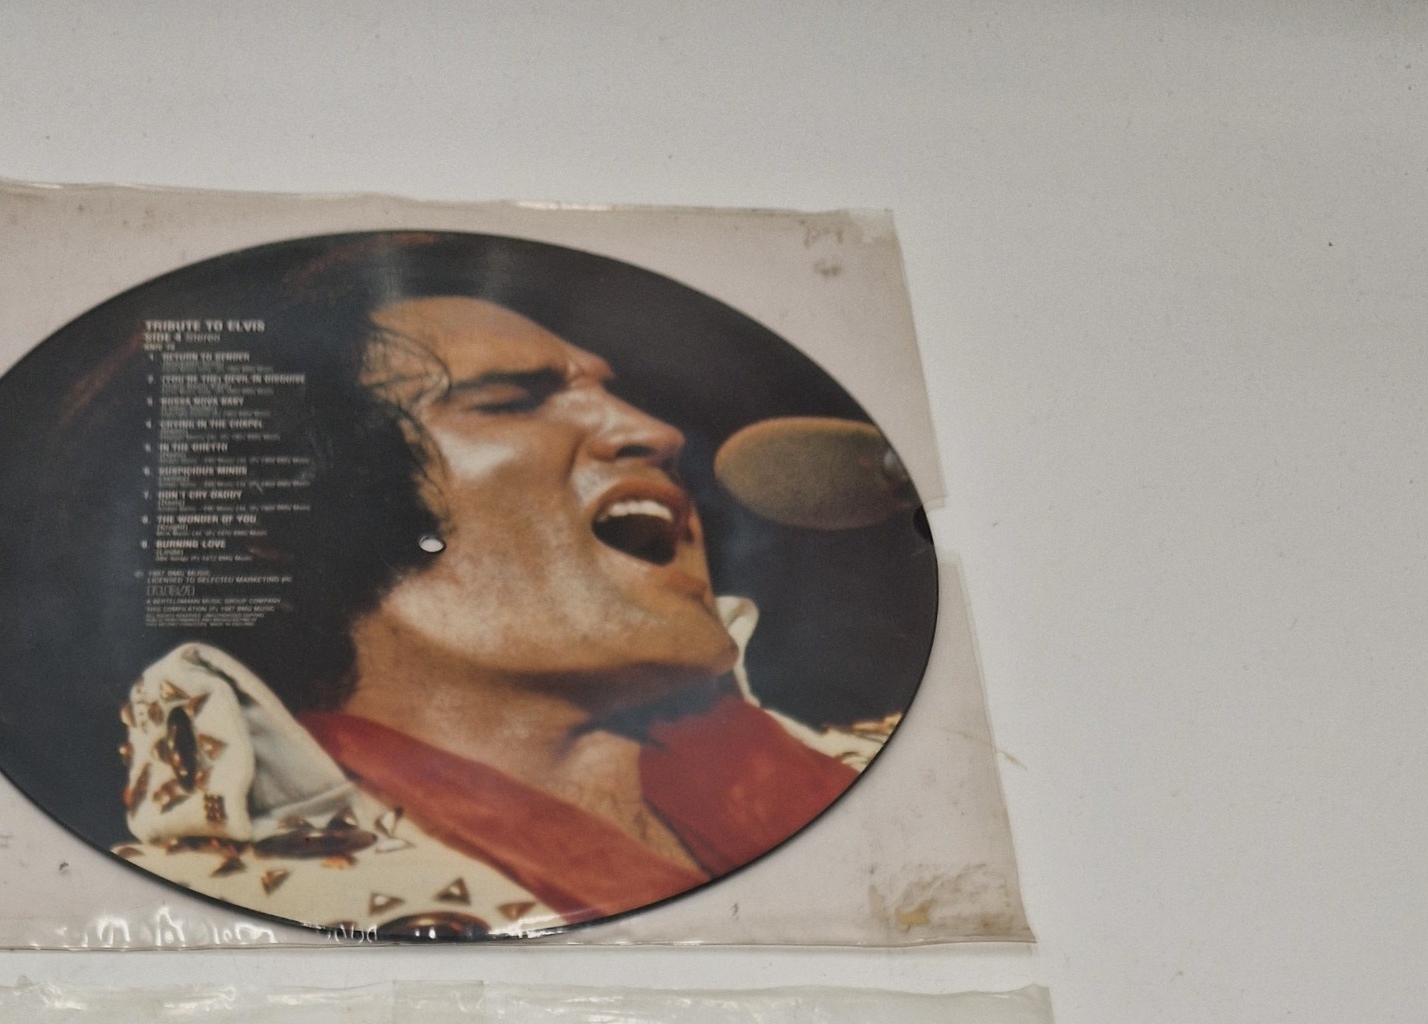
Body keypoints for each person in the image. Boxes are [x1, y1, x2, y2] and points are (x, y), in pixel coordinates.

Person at [116, 285, 881, 935]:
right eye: (512, 401)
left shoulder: (885, 783)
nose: (657, 433)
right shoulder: (202, 909)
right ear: (322, 518)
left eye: (612, 393)